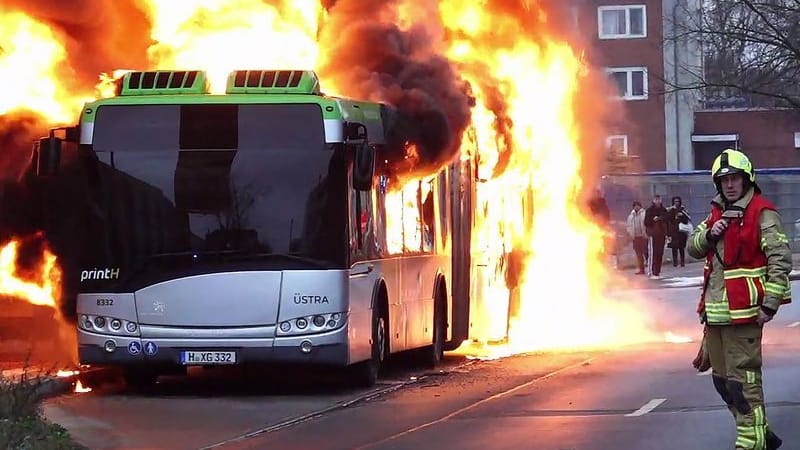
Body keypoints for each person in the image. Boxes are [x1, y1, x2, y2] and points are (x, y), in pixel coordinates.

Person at [688, 148, 792, 450]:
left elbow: (780, 260)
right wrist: (710, 233)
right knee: (722, 383)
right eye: (723, 180)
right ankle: (760, 431)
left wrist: (769, 304)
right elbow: (694, 247)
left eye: (734, 178)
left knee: (742, 384)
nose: (729, 185)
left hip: (745, 315)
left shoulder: (763, 213)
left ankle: (751, 443)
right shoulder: (715, 213)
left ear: (746, 179)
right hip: (716, 316)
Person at [643, 194, 668, 278]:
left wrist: (660, 219)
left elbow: (667, 220)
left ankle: (657, 272)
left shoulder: (664, 210)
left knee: (660, 253)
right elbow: (646, 222)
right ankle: (651, 271)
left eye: (659, 199)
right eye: (656, 199)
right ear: (653, 200)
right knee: (652, 253)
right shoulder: (649, 210)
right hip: (652, 234)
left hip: (661, 234)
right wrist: (653, 220)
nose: (657, 201)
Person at [667, 196, 691, 267]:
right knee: (674, 247)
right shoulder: (671, 210)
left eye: (677, 201)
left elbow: (687, 220)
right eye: (675, 202)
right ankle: (675, 262)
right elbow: (668, 220)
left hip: (682, 231)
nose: (676, 203)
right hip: (674, 231)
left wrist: (682, 216)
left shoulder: (683, 210)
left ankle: (682, 262)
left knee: (681, 247)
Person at [626, 200, 648, 274]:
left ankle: (650, 267)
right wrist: (630, 233)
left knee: (646, 252)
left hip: (643, 237)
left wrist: (646, 233)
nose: (636, 207)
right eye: (635, 206)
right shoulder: (630, 216)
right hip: (635, 238)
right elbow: (628, 226)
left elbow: (647, 224)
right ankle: (641, 269)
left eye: (638, 205)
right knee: (639, 254)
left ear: (640, 206)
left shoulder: (644, 214)